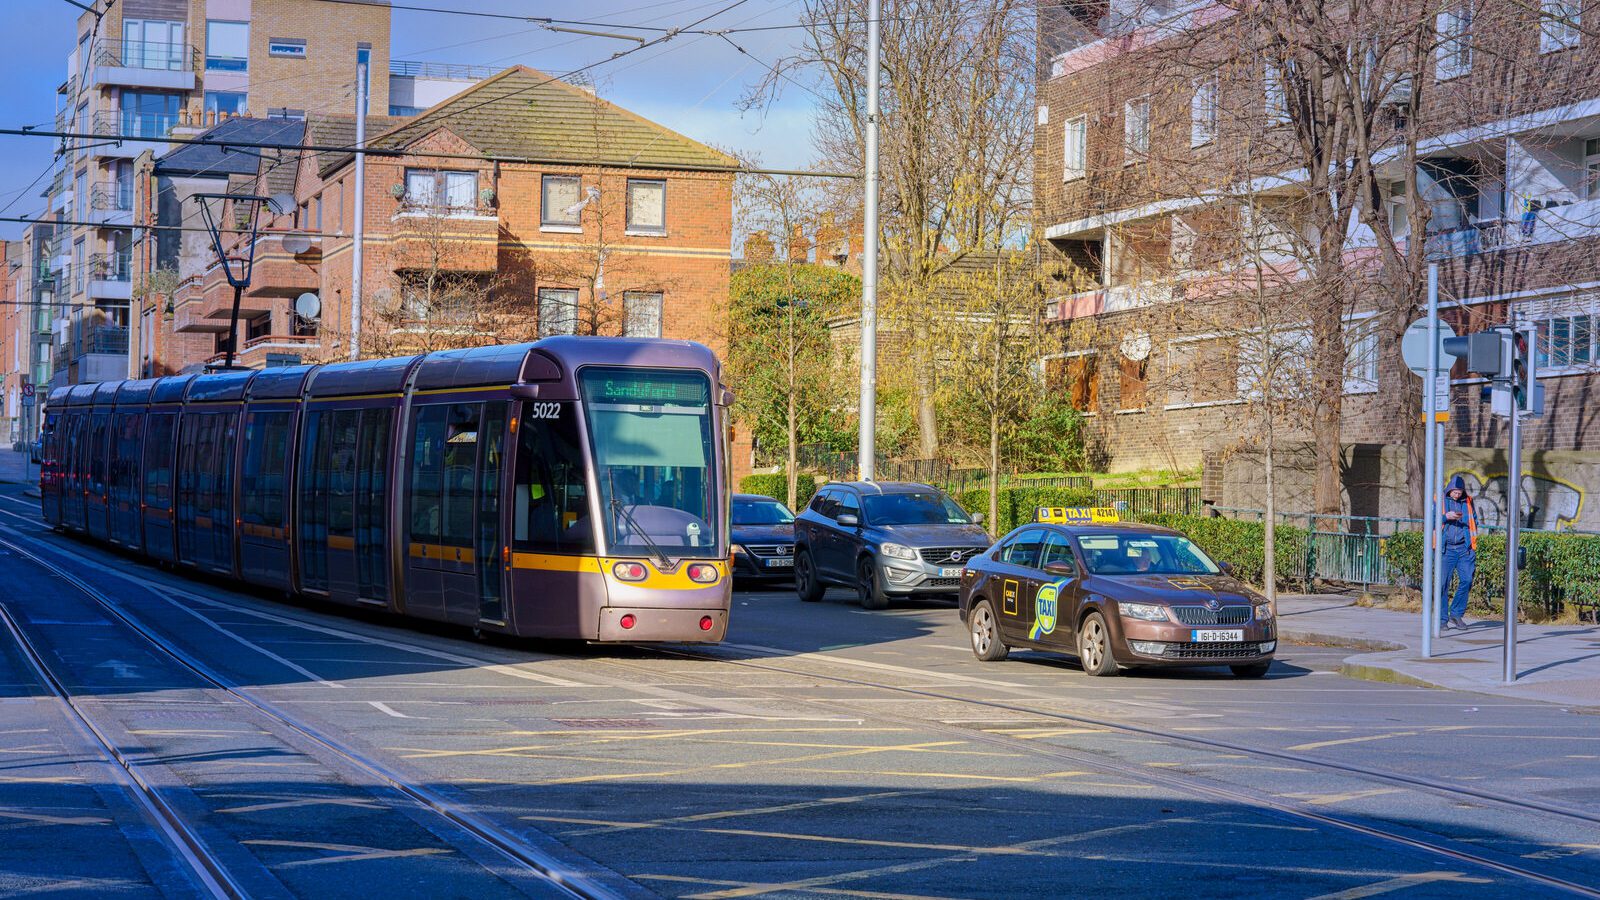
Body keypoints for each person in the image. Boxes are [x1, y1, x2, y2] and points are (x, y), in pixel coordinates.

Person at [1439, 474, 1478, 631]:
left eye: (1460, 492)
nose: (1457, 494)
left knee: (1467, 580)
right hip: (1446, 548)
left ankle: (1456, 613)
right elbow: (1430, 518)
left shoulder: (1467, 501)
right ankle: (1442, 619)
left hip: (1464, 549)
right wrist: (1445, 517)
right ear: (1449, 490)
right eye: (1455, 492)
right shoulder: (1440, 500)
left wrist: (1471, 545)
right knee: (1442, 584)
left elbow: (1474, 520)